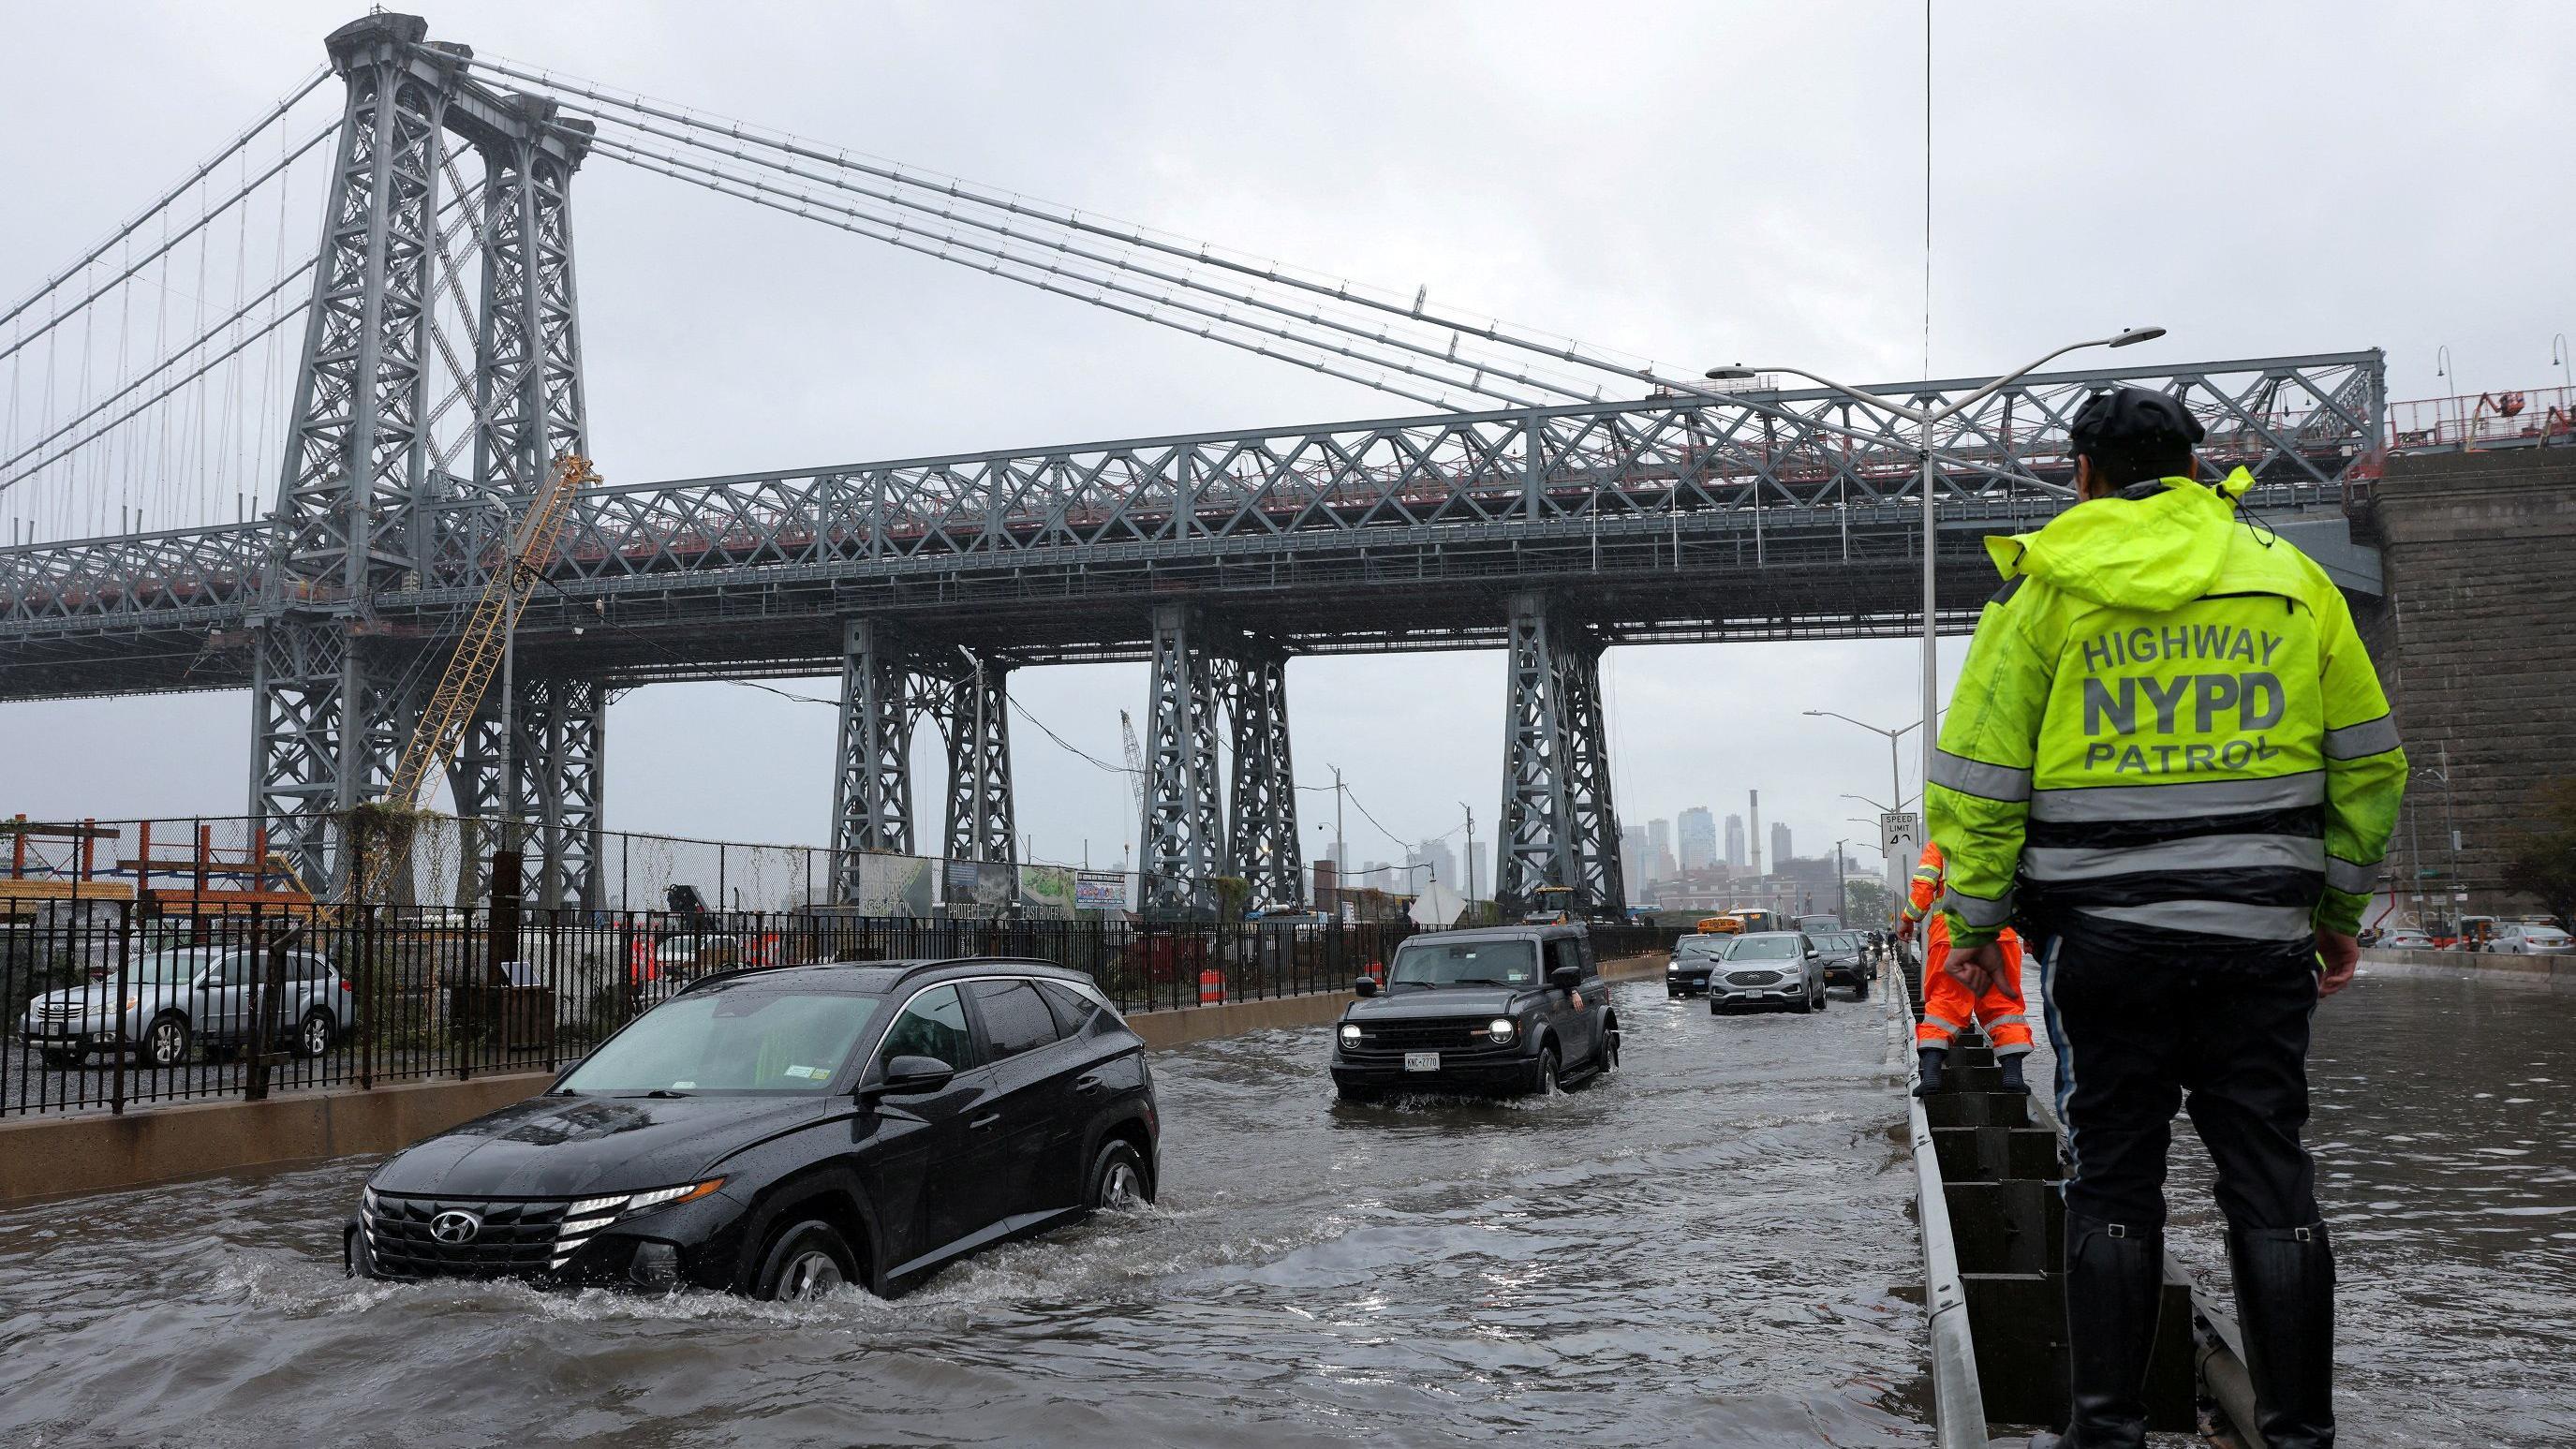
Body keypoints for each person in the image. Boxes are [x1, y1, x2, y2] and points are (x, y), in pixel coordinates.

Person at [1924, 387, 2406, 1449]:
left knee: (2110, 1177)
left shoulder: (2043, 590)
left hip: (2102, 946)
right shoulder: (2291, 581)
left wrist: (1970, 919)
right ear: (2198, 467)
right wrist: (2333, 909)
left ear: (2080, 473)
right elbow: (2367, 762)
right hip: (2256, 941)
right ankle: (2296, 1436)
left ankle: (2104, 1432)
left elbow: (1978, 783)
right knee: (2270, 1178)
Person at [1899, 839, 2033, 1095]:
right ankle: (2012, 1077)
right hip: (1998, 936)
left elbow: (1923, 887)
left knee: (1943, 1005)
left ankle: (1932, 1077)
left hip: (1951, 938)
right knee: (2004, 1007)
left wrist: (1908, 920)